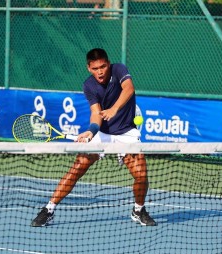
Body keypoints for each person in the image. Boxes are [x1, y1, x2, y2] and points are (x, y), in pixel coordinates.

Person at [31, 48, 156, 227]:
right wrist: (91, 131)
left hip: (127, 134)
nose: (100, 71)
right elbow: (96, 113)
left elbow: (129, 89)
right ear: (89, 68)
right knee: (77, 168)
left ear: (108, 63)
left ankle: (138, 210)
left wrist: (114, 109)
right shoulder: (89, 85)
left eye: (103, 66)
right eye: (96, 68)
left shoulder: (119, 69)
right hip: (103, 134)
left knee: (141, 175)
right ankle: (49, 209)